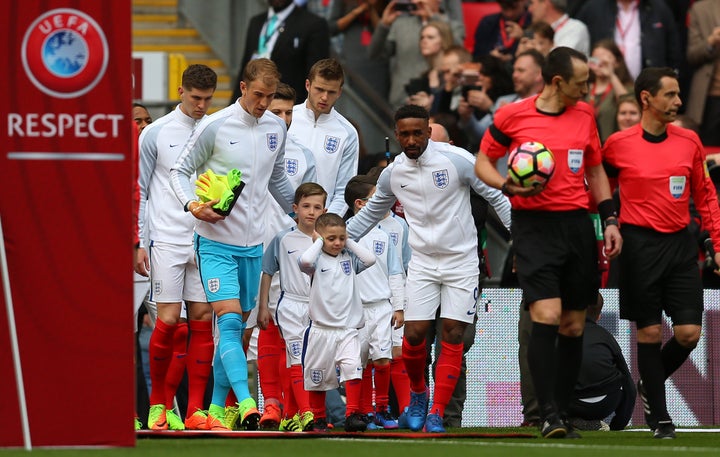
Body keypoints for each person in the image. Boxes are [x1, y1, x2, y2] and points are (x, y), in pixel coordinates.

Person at [474, 46, 622, 438]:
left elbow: (596, 168)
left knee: (574, 324)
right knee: (546, 315)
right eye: (581, 83)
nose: (587, 90)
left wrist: (609, 218)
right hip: (534, 225)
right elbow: (483, 162)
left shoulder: (585, 115)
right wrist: (506, 183)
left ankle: (564, 409)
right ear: (557, 82)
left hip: (576, 226)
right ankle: (548, 415)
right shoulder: (512, 115)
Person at [347, 104, 512, 433]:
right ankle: (420, 395)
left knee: (453, 333)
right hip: (422, 263)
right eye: (404, 134)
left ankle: (437, 412)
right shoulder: (394, 172)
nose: (411, 139)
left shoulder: (458, 160)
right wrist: (331, 239)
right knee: (413, 335)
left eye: (417, 133)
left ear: (427, 131)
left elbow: (497, 196)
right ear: (396, 135)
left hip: (462, 262)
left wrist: (520, 238)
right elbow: (367, 215)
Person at [170, 58, 296, 431]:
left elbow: (276, 179)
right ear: (242, 88)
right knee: (226, 322)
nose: (263, 103)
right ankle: (245, 403)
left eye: (270, 97)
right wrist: (192, 205)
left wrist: (304, 216)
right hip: (214, 241)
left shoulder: (275, 126)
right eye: (258, 95)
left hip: (253, 245)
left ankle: (213, 409)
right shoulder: (215, 125)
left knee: (240, 329)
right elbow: (179, 170)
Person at [602, 67, 720, 439]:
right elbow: (598, 185)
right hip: (638, 247)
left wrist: (717, 242)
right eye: (670, 94)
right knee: (649, 332)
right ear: (646, 99)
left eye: (679, 94)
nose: (679, 102)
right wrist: (610, 222)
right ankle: (661, 419)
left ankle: (648, 386)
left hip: (680, 246)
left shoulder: (689, 141)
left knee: (688, 333)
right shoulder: (618, 144)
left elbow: (706, 196)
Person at [135, 64, 217, 431]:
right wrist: (139, 242)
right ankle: (157, 406)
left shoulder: (216, 130)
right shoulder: (154, 133)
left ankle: (194, 409)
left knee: (201, 320)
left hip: (206, 238)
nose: (201, 105)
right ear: (181, 91)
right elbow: (140, 190)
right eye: (195, 98)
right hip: (166, 237)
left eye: (207, 99)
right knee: (168, 321)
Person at [253, 83, 318, 430]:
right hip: (248, 246)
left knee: (290, 334)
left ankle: (286, 409)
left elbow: (310, 206)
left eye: (289, 112)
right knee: (254, 329)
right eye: (276, 111)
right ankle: (264, 405)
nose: (283, 118)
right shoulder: (247, 144)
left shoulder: (304, 155)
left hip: (292, 252)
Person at [298, 213, 377, 432]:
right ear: (321, 238)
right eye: (331, 238)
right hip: (321, 329)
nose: (337, 243)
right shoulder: (315, 260)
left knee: (353, 367)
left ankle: (352, 414)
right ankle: (319, 417)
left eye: (341, 238)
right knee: (318, 375)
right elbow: (304, 261)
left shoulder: (349, 258)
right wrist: (319, 241)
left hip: (348, 329)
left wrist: (349, 240)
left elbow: (370, 259)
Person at [259, 182, 327, 432]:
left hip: (319, 308)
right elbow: (267, 272)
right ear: (295, 208)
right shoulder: (283, 238)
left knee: (312, 360)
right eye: (306, 206)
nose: (311, 212)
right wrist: (263, 307)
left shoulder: (327, 241)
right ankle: (307, 413)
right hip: (290, 306)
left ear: (325, 210)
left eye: (317, 207)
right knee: (297, 356)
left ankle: (291, 414)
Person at [344, 171, 406, 430]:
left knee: (383, 359)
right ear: (360, 204)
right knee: (357, 363)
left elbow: (395, 271)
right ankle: (358, 412)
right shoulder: (343, 235)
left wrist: (399, 306)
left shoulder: (384, 235)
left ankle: (381, 409)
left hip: (382, 306)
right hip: (354, 310)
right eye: (375, 199)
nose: (382, 203)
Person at [289, 58, 359, 216]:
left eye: (331, 92)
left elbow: (344, 191)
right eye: (319, 89)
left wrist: (324, 226)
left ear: (340, 92)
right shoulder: (286, 118)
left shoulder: (348, 133)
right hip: (279, 221)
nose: (324, 97)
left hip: (320, 226)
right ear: (308, 85)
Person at [368, 0, 464, 108]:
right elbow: (375, 54)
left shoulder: (453, 25)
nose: (417, 1)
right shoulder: (401, 24)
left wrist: (434, 18)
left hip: (441, 96)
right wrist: (384, 25)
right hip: (402, 97)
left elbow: (458, 53)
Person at [235, 0, 330, 103]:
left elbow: (316, 75)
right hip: (253, 104)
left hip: (288, 108)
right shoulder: (256, 22)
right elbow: (245, 67)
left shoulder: (313, 24)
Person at [566, 296, 636, 431]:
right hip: (606, 404)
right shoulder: (606, 336)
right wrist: (618, 425)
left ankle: (563, 420)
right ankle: (584, 422)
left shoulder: (563, 334)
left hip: (572, 404)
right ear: (599, 316)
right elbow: (629, 386)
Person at [576, 0, 680, 80]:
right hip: (604, 89)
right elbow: (580, 49)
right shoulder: (593, 8)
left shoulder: (658, 9)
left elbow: (674, 52)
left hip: (649, 88)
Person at [328, 0, 390, 99]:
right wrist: (357, 12)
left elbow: (386, 31)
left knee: (378, 102)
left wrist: (371, 9)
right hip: (352, 61)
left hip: (379, 63)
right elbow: (331, 28)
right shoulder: (343, 2)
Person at [685, 0, 720, 146]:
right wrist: (711, 41)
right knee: (708, 153)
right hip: (711, 98)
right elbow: (692, 56)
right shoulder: (700, 9)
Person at [587, 40, 634, 142]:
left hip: (614, 145)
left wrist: (611, 75)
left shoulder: (626, 88)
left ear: (617, 62)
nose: (599, 63)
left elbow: (627, 103)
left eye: (605, 59)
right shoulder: (584, 88)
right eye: (595, 59)